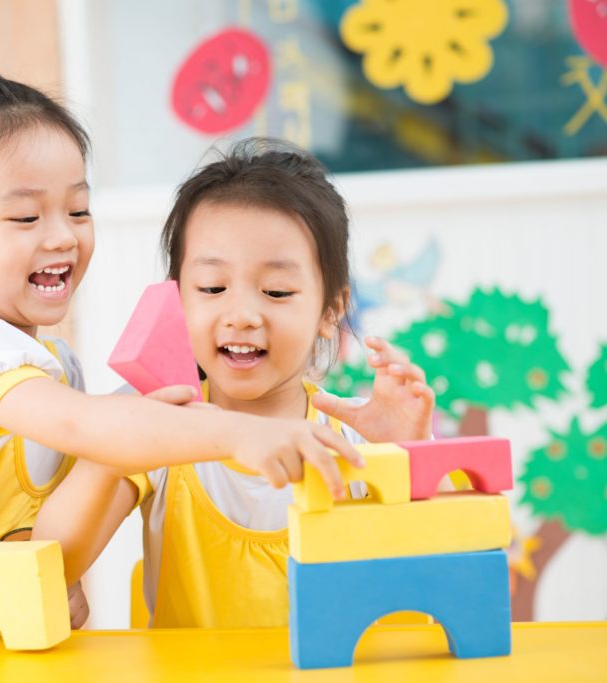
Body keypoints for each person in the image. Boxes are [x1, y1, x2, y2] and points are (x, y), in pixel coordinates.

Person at [0, 69, 361, 628]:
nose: (62, 236)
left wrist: (47, 569)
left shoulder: (54, 370)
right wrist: (237, 432)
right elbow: (90, 433)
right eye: (26, 216)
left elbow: (56, 520)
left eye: (78, 210)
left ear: (329, 308)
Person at [33, 138, 436, 628]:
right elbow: (50, 565)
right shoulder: (159, 425)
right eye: (212, 288)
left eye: (276, 291)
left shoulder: (356, 436)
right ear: (177, 299)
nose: (241, 315)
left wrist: (404, 458)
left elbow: (430, 593)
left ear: (331, 309)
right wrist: (113, 439)